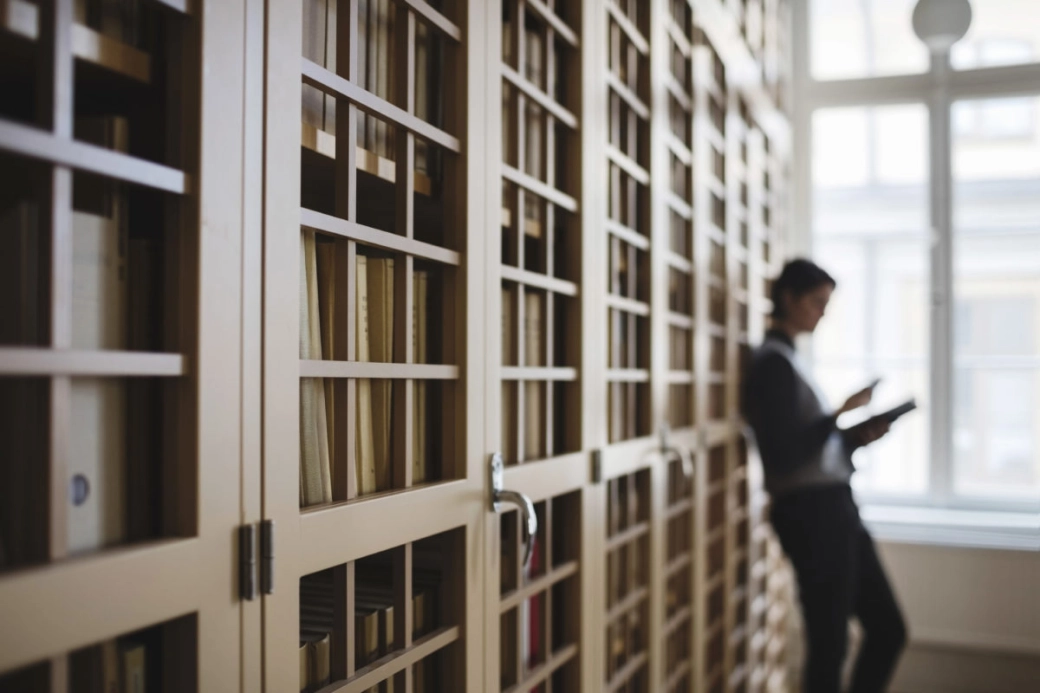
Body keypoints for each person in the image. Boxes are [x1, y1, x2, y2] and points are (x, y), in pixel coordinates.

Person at [742, 259, 907, 693]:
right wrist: (840, 414)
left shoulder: (791, 359)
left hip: (833, 507)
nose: (822, 313)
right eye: (817, 302)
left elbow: (813, 448)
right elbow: (784, 455)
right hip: (812, 515)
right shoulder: (772, 363)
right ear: (789, 298)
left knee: (886, 628)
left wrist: (854, 437)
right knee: (830, 641)